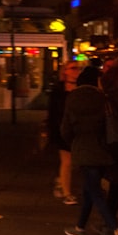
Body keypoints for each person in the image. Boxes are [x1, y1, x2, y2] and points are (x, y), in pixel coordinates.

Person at [60, 65, 118, 235]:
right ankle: (79, 227)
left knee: (94, 191)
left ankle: (117, 231)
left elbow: (65, 129)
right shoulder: (103, 99)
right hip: (103, 150)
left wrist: (74, 142)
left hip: (84, 151)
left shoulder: (73, 98)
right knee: (89, 190)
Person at [47, 59, 80, 205]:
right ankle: (67, 193)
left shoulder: (82, 89)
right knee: (67, 161)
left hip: (78, 130)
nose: (76, 71)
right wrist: (52, 131)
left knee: (73, 162)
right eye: (72, 68)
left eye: (78, 68)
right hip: (62, 130)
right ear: (65, 72)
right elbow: (53, 113)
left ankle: (61, 181)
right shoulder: (58, 91)